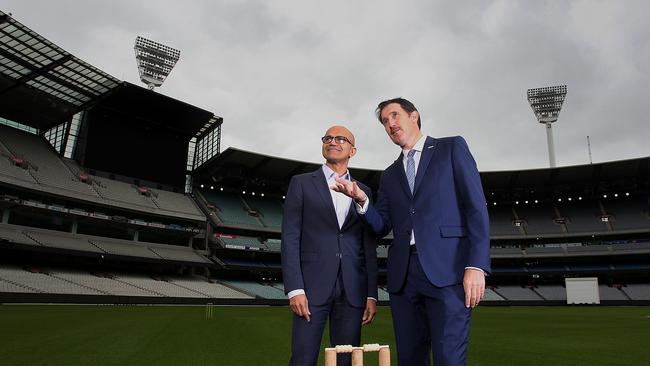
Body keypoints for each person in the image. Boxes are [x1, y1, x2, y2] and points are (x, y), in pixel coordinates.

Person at [333, 98, 491, 366]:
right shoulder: (390, 175)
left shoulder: (451, 148)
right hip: (404, 277)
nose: (390, 124)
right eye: (384, 121)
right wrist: (362, 201)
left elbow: (476, 208)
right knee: (410, 359)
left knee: (449, 359)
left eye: (394, 115)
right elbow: (382, 225)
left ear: (414, 116)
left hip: (448, 271)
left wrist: (476, 264)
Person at [281, 125, 378, 366]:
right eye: (328, 138)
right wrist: (295, 288)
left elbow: (368, 244)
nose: (333, 141)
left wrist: (371, 293)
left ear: (352, 150)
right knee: (303, 358)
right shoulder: (301, 183)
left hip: (353, 288)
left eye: (340, 138)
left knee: (346, 360)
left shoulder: (364, 191)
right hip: (311, 287)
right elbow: (290, 237)